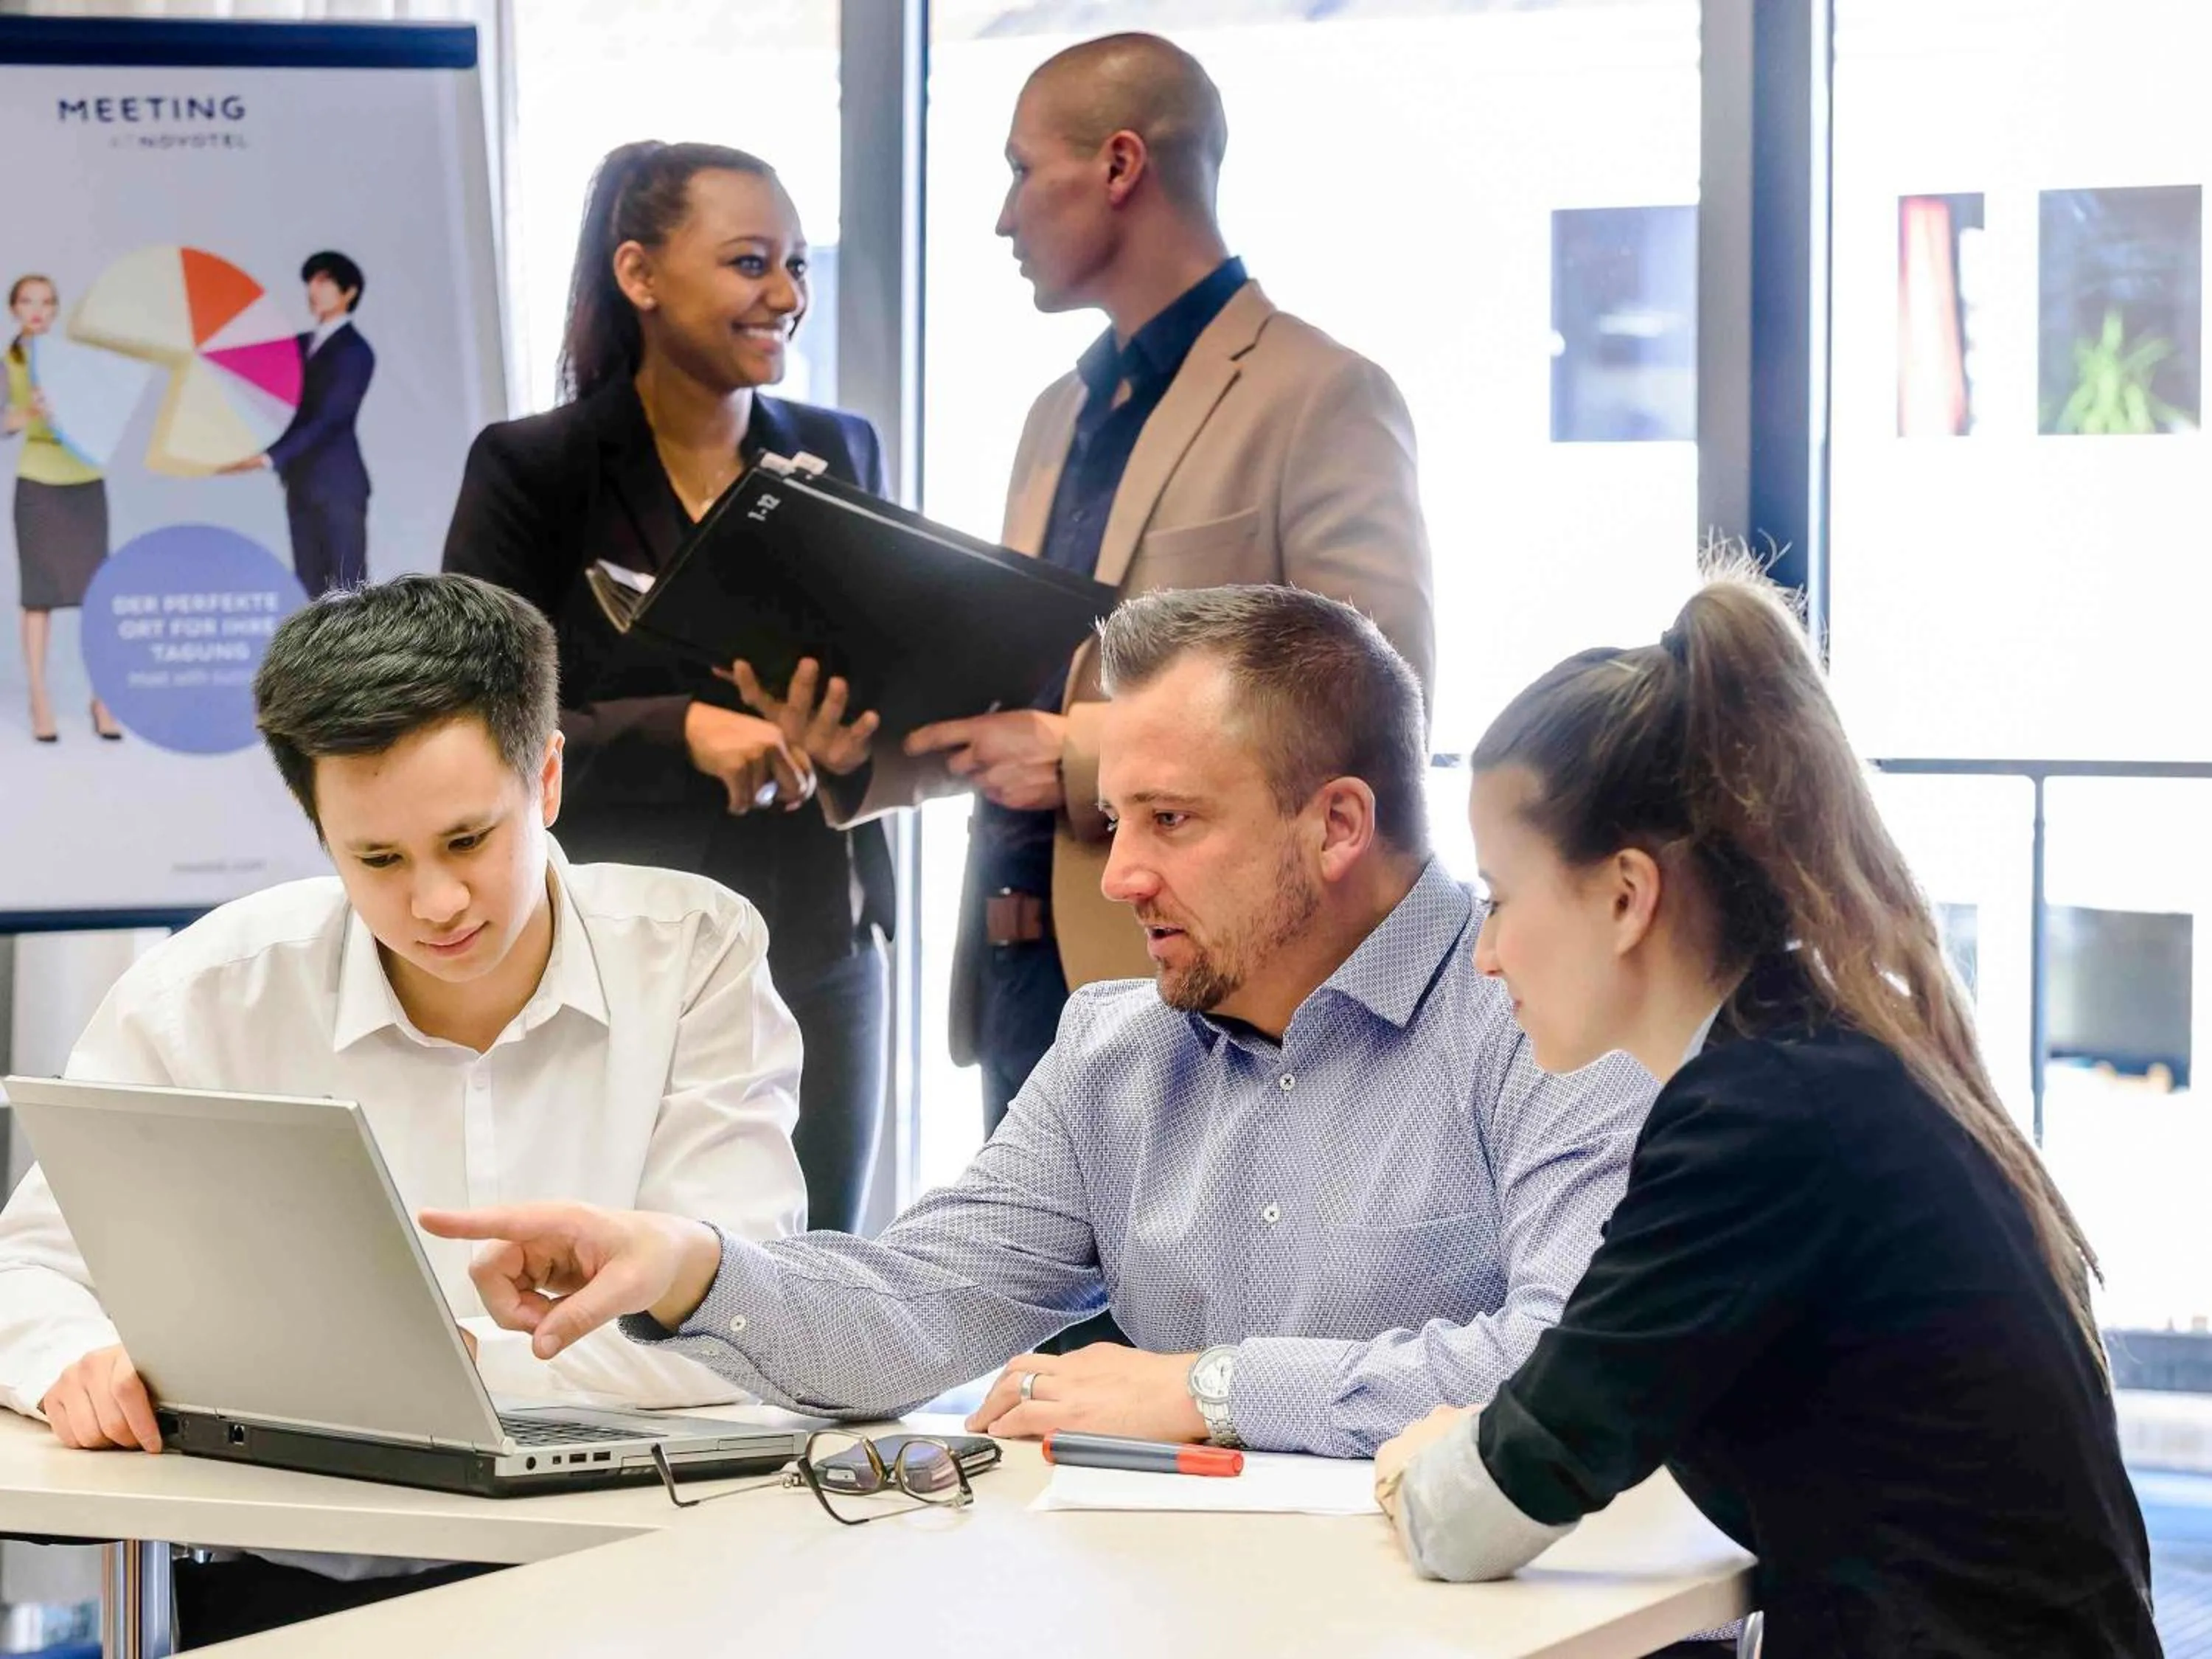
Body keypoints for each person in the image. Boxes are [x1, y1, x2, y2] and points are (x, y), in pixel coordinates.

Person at [422, 587, 1652, 1458]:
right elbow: (913, 1315)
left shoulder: (1558, 1023)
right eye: (1116, 823)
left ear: (1336, 827)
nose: (1119, 879)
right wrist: (687, 1269)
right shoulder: (1114, 1049)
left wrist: (1209, 1391)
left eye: (1172, 822)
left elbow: (1578, 1369)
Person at [0, 573, 807, 1646]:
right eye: (376, 858)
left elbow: (743, 1313)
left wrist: (444, 1369)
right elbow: (28, 1268)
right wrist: (74, 1361)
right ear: (315, 824)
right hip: (284, 1585)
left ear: (549, 776)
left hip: (626, 1582)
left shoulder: (694, 956)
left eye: (470, 840)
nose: (434, 903)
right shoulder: (206, 991)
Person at [1371, 565, 2157, 1654]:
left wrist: (1425, 1465)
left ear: (1627, 894)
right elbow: (1600, 1407)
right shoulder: (1828, 1051)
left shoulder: (1758, 1118)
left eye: (1500, 898)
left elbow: (1472, 1512)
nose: (1488, 954)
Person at [745, 34, 1434, 1135]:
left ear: (1121, 166)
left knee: (1178, 1318)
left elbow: (1375, 711)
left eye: (1021, 171)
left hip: (1210, 998)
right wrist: (863, 750)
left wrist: (1082, 756)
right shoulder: (1055, 414)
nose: (1002, 216)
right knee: (1033, 1314)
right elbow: (1020, 687)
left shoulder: (1324, 394)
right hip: (1023, 981)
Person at [444, 142, 893, 1234]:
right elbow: (466, 722)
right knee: (625, 1282)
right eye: (750, 263)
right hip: (615, 952)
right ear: (640, 275)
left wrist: (851, 735)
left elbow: (894, 678)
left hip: (816, 939)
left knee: (817, 1268)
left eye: (796, 266)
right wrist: (676, 729)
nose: (786, 295)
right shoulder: (533, 469)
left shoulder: (840, 451)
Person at [3, 274, 122, 742]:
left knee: (98, 593)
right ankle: (39, 698)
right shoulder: (8, 362)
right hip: (37, 484)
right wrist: (31, 412)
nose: (37, 310)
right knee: (38, 595)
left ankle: (102, 698)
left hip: (85, 482)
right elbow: (2, 423)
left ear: (55, 310)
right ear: (14, 308)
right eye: (28, 301)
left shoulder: (73, 361)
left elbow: (102, 411)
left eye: (47, 302)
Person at [226, 252, 376, 597]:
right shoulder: (299, 346)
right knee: (310, 592)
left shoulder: (355, 351)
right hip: (300, 484)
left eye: (324, 281)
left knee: (349, 593)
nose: (314, 289)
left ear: (349, 292)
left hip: (338, 487)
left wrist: (266, 458)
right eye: (311, 282)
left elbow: (329, 419)